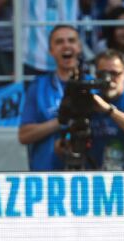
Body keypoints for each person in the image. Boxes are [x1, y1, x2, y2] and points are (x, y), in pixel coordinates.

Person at [55, 49, 124, 170]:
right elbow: (63, 144)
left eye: (114, 73)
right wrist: (66, 144)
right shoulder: (90, 100)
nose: (109, 79)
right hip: (97, 180)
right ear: (96, 75)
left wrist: (108, 110)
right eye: (103, 74)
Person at [19, 25, 82, 171]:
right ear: (51, 51)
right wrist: (61, 121)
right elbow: (24, 136)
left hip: (86, 176)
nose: (66, 45)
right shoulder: (38, 86)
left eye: (71, 40)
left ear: (79, 47)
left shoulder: (93, 86)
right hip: (47, 178)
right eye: (59, 42)